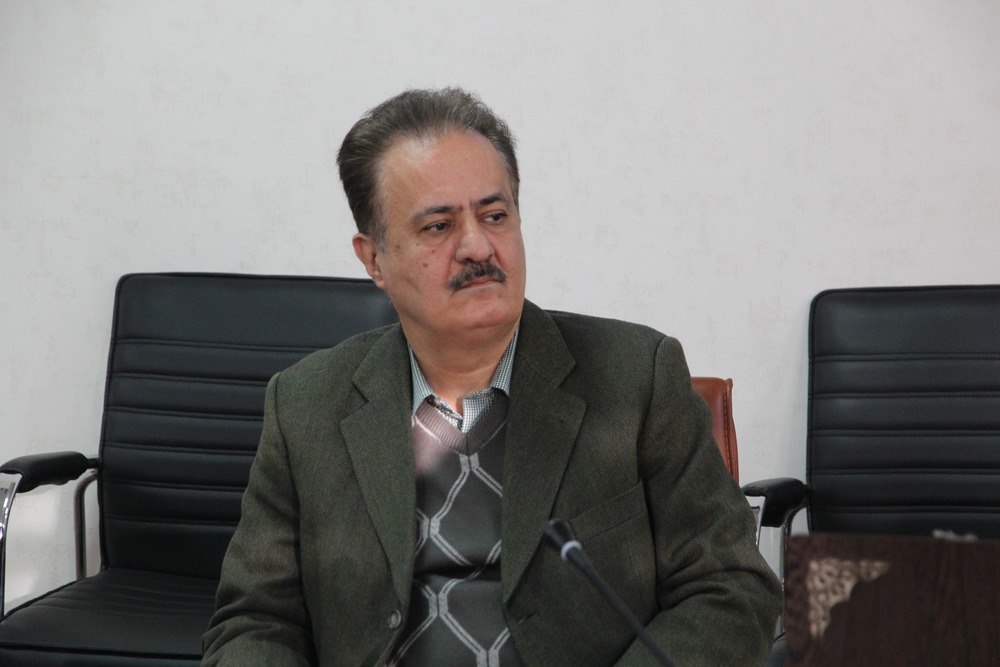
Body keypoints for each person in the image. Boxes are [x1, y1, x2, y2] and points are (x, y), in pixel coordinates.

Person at [202, 88, 781, 667]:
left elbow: (730, 586)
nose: (478, 246)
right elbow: (255, 621)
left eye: (495, 216)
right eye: (438, 226)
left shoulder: (635, 377)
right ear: (373, 258)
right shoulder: (306, 406)